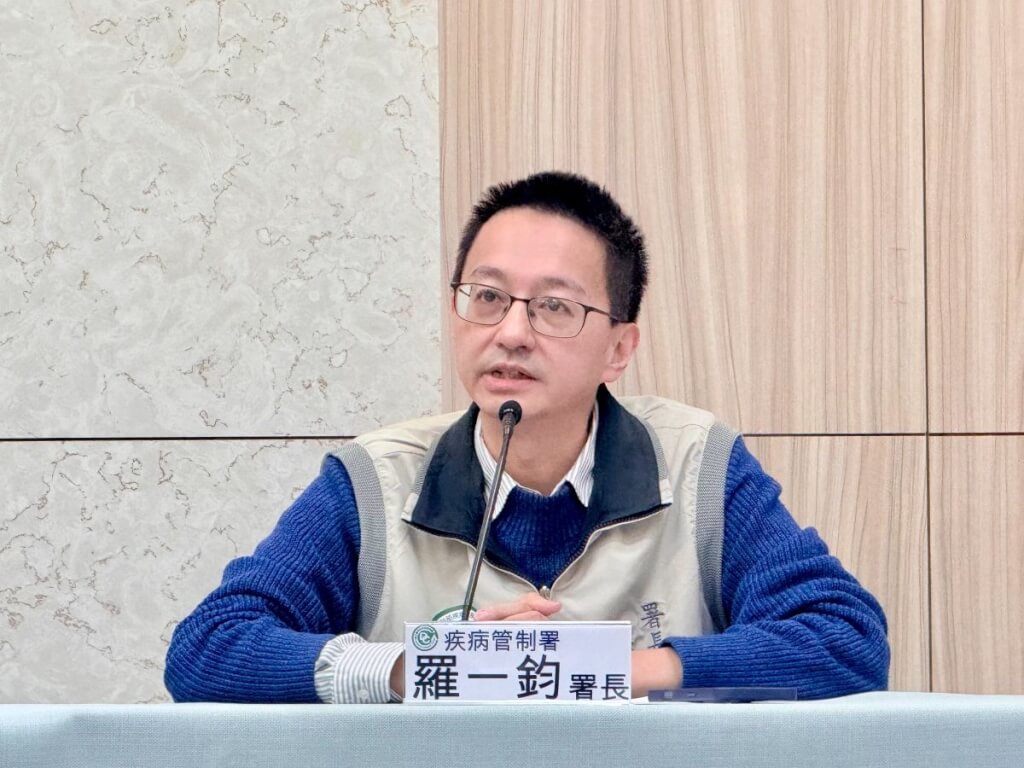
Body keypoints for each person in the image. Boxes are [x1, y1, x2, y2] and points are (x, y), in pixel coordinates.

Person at [164, 171, 889, 704]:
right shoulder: (376, 480)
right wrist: (428, 669)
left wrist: (611, 671)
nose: (510, 332)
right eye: (486, 297)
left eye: (553, 307)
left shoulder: (697, 463)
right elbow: (209, 647)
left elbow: (844, 638)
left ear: (619, 349)